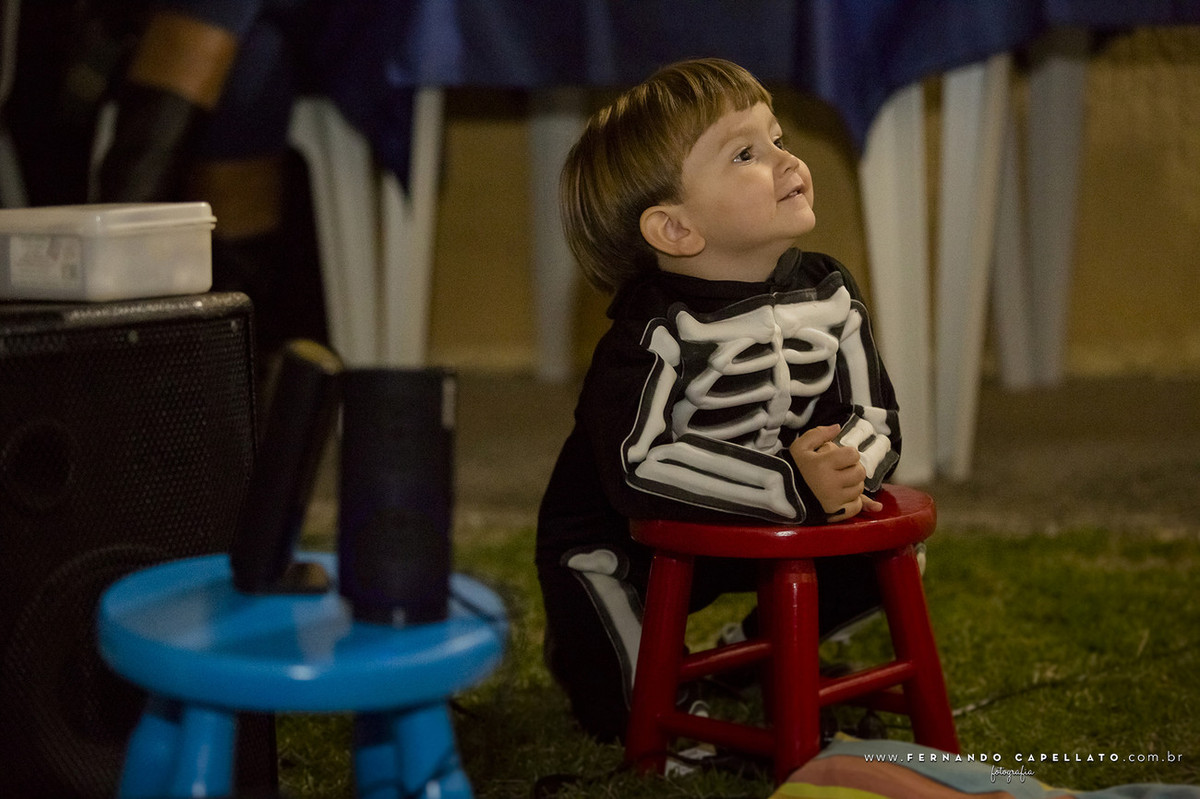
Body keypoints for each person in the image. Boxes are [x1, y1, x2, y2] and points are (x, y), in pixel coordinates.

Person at [535, 58, 902, 742]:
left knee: (886, 548)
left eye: (779, 137)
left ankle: (757, 647)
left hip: (766, 517)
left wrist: (850, 467)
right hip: (625, 535)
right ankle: (633, 687)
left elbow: (875, 412)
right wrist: (793, 483)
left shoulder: (829, 290)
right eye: (746, 152)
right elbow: (643, 460)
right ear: (675, 230)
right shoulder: (651, 333)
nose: (786, 159)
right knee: (612, 650)